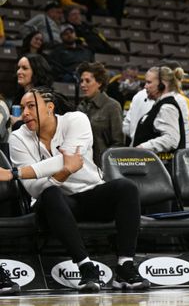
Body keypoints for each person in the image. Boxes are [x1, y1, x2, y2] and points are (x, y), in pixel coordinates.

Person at [9, 87, 150, 292]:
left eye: (31, 106)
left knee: (126, 187)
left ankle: (125, 266)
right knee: (50, 193)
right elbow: (34, 189)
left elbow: (68, 158)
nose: (25, 113)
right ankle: (86, 267)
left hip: (89, 195)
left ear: (50, 108)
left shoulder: (77, 120)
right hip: (52, 206)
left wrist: (17, 172)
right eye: (22, 108)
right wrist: (63, 174)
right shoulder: (18, 137)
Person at [131, 66, 189, 164]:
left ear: (163, 84)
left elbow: (171, 140)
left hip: (160, 171)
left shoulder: (167, 107)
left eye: (149, 82)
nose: (145, 86)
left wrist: (142, 147)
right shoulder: (159, 105)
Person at [77, 62, 124, 167]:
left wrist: (106, 162)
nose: (82, 84)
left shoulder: (112, 106)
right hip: (83, 166)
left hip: (104, 166)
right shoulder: (81, 106)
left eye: (87, 81)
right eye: (81, 81)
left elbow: (118, 143)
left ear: (99, 83)